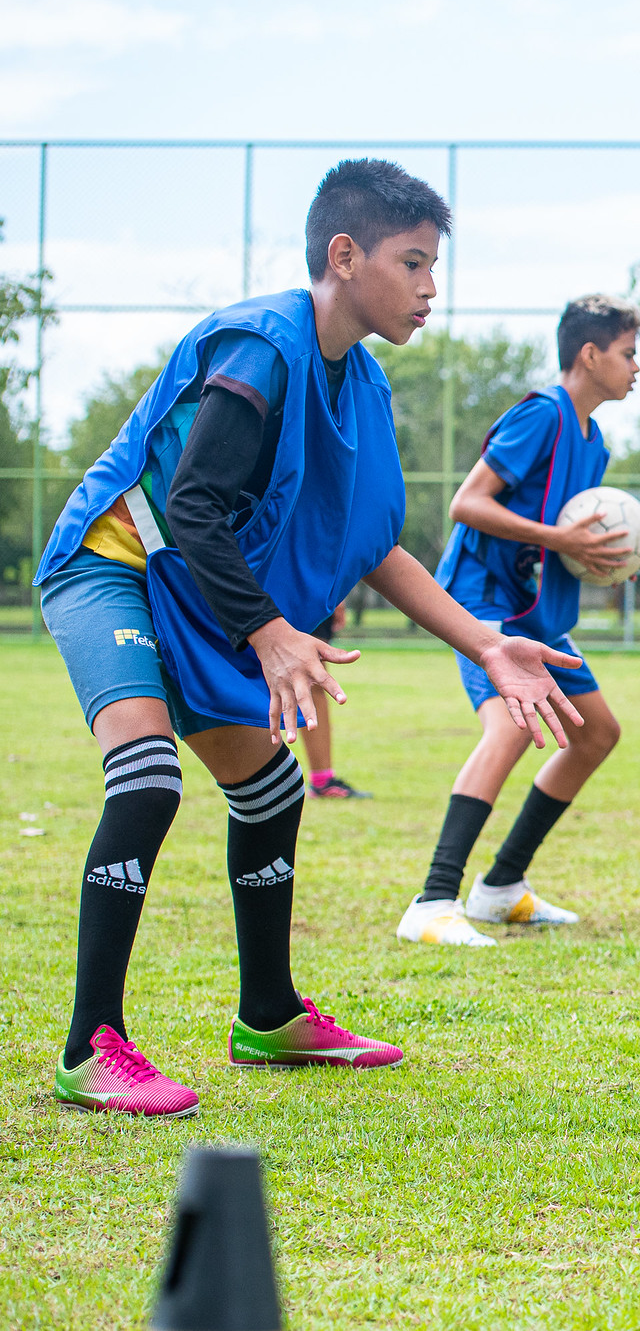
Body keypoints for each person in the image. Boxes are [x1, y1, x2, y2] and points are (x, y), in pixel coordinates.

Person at [34, 159, 582, 1118]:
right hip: (114, 564)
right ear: (344, 254)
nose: (429, 287)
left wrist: (486, 644)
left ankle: (269, 1015)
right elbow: (196, 505)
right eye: (412, 263)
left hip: (195, 588)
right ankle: (90, 1045)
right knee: (149, 778)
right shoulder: (264, 347)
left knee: (272, 785)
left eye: (433, 266)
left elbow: (377, 549)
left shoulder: (359, 386)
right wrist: (274, 632)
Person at [396, 294, 640, 948]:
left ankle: (500, 887)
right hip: (483, 604)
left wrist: (610, 559)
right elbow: (467, 503)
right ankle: (432, 899)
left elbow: (565, 536)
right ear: (588, 355)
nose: (636, 367)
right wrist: (564, 541)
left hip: (534, 613)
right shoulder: (542, 417)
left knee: (595, 733)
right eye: (627, 353)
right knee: (508, 725)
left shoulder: (595, 446)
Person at [301, 602, 371, 798]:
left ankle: (322, 780)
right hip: (298, 585)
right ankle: (322, 781)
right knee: (311, 675)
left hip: (301, 585)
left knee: (312, 677)